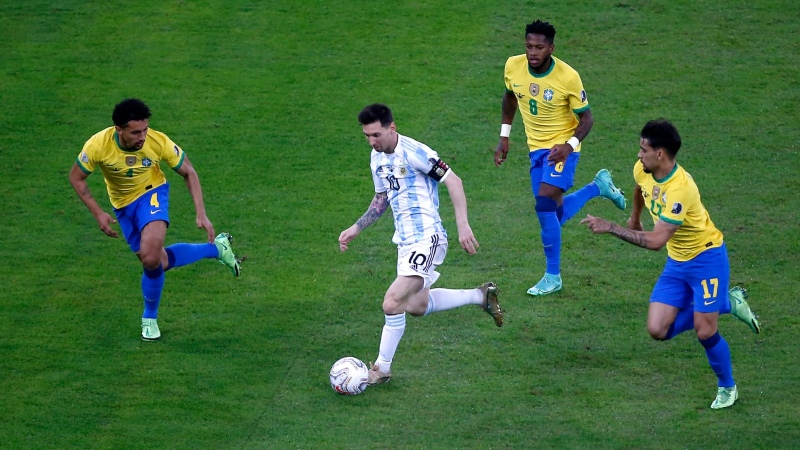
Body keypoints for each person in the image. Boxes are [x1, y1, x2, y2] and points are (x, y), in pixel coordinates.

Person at [580, 119, 761, 409]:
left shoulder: (681, 189)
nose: (639, 155)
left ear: (661, 154)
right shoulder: (644, 168)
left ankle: (728, 387)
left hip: (706, 259)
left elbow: (655, 241)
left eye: (644, 150)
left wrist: (612, 226)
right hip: (678, 262)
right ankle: (726, 303)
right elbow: (640, 186)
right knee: (657, 330)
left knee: (705, 330)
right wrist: (635, 216)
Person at [339, 103, 504, 386]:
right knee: (416, 305)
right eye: (367, 136)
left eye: (376, 135)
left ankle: (381, 368)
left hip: (428, 238)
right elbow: (381, 199)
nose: (371, 141)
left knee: (392, 302)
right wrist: (356, 227)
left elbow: (454, 182)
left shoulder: (417, 153)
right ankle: (481, 296)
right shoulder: (376, 158)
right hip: (404, 242)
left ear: (392, 128)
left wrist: (463, 225)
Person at [69, 98, 242, 341]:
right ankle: (217, 249)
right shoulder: (98, 145)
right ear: (119, 130)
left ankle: (149, 317)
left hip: (152, 193)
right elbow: (77, 177)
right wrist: (98, 212)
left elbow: (188, 171)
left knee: (150, 256)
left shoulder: (157, 142)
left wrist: (201, 212)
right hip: (122, 207)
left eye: (145, 130)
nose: (142, 137)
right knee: (156, 262)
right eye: (136, 132)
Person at [494, 19, 627, 296]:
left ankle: (552, 276)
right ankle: (597, 187)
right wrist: (504, 136)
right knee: (554, 214)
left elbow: (587, 118)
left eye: (539, 47)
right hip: (535, 150)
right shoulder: (512, 66)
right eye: (529, 46)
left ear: (551, 48)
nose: (533, 52)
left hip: (562, 148)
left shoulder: (568, 77)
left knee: (543, 205)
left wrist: (570, 145)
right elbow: (510, 98)